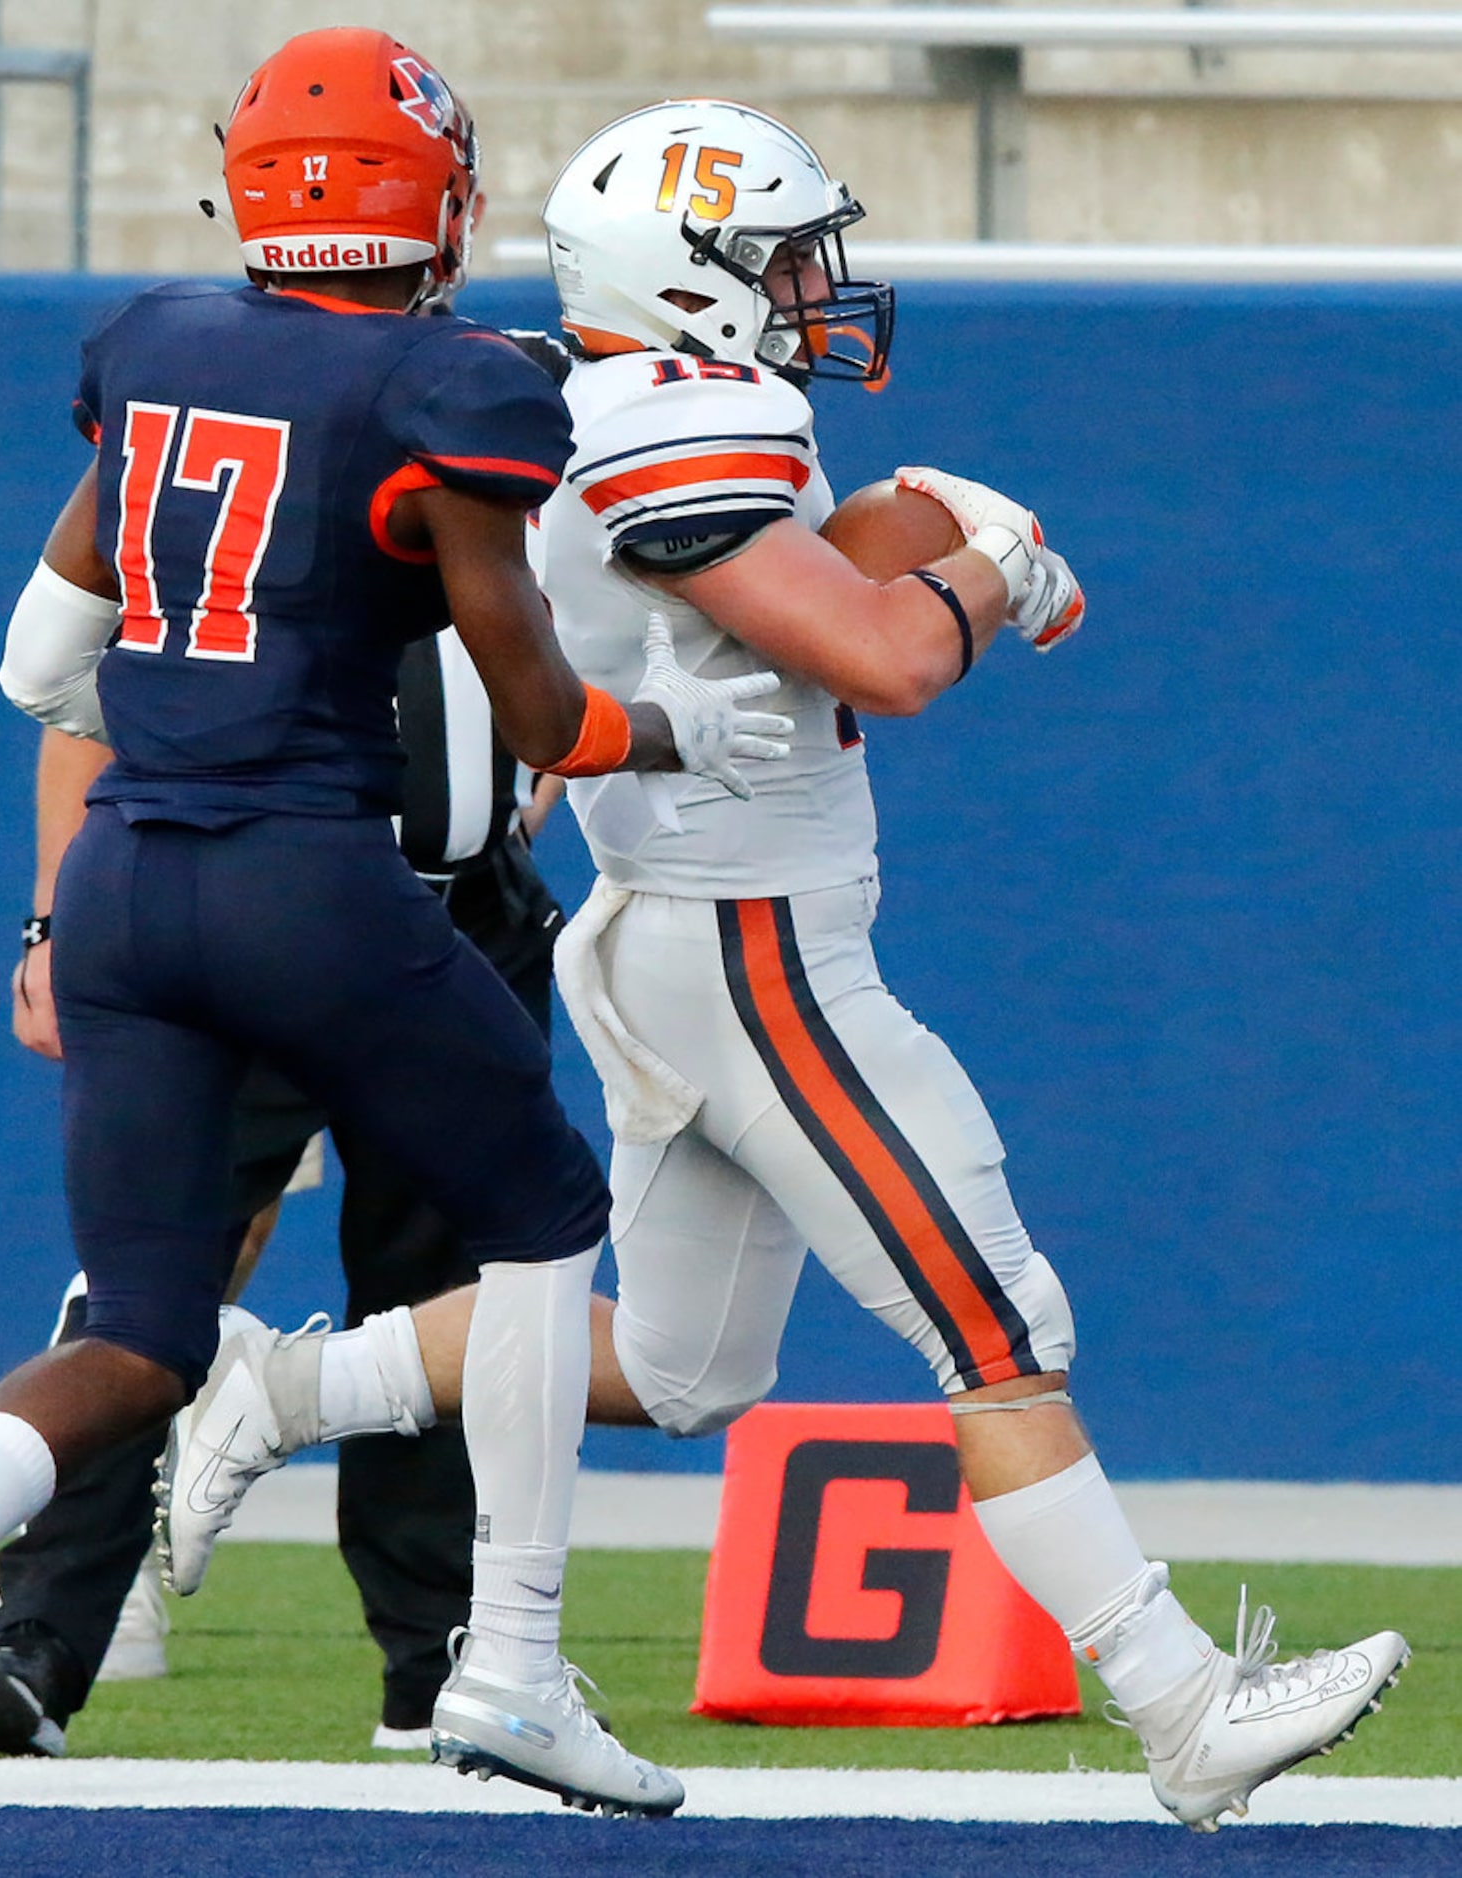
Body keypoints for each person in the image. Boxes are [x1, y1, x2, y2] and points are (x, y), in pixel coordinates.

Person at [160, 98, 1410, 1836]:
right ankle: (1182, 1701)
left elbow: (785, 579)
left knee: (683, 1370)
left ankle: (282, 1383)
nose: (819, 286)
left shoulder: (596, 403)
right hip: (760, 958)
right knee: (995, 1319)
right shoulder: (688, 419)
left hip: (687, 936)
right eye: (781, 258)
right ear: (691, 284)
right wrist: (995, 564)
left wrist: (922, 525)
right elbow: (886, 657)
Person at [0, 33, 796, 1829]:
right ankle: (509, 1661)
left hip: (125, 886)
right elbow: (551, 708)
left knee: (143, 1323)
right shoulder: (450, 389)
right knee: (546, 1217)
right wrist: (684, 727)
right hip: (314, 881)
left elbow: (42, 665)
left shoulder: (157, 347)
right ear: (439, 197)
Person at [0, 628, 570, 1760]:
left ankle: (439, 1658)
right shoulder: (272, 475)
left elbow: (573, 646)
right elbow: (75, 692)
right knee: (157, 1280)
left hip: (458, 915)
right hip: (273, 897)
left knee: (450, 1285)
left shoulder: (534, 486)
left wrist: (510, 801)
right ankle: (42, 1627)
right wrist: (48, 918)